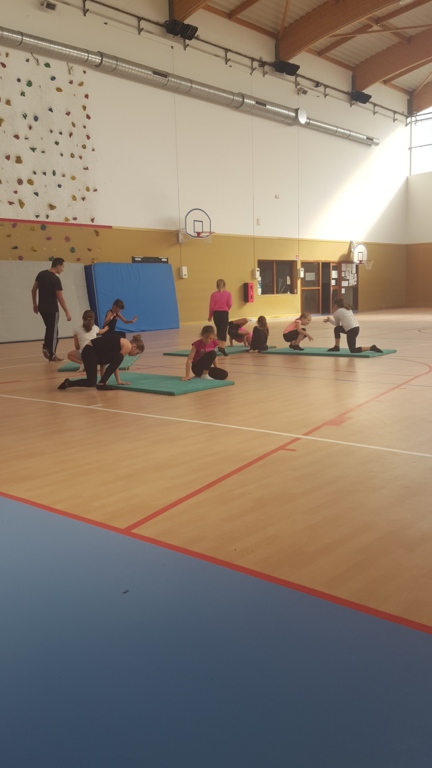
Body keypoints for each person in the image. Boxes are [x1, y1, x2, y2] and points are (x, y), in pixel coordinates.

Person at [58, 333, 144, 390]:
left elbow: (105, 362)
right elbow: (116, 363)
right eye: (137, 353)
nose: (135, 355)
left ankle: (101, 383)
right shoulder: (127, 346)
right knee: (91, 382)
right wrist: (109, 381)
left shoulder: (122, 343)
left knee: (92, 382)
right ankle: (68, 383)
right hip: (89, 352)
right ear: (134, 346)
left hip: (95, 354)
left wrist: (106, 380)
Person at [31, 257, 71, 361]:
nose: (63, 269)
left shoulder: (41, 274)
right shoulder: (55, 279)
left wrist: (35, 304)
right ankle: (51, 354)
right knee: (54, 332)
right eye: (62, 267)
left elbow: (33, 290)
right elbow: (60, 298)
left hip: (42, 308)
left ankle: (47, 348)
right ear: (58, 266)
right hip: (52, 309)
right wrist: (67, 312)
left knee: (50, 328)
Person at [208, 279, 232, 356]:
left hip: (216, 314)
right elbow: (230, 304)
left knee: (218, 330)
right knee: (224, 330)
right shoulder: (228, 294)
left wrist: (210, 316)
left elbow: (211, 306)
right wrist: (226, 309)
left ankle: (219, 345)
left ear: (217, 285)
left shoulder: (213, 295)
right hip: (224, 313)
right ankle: (223, 347)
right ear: (224, 285)